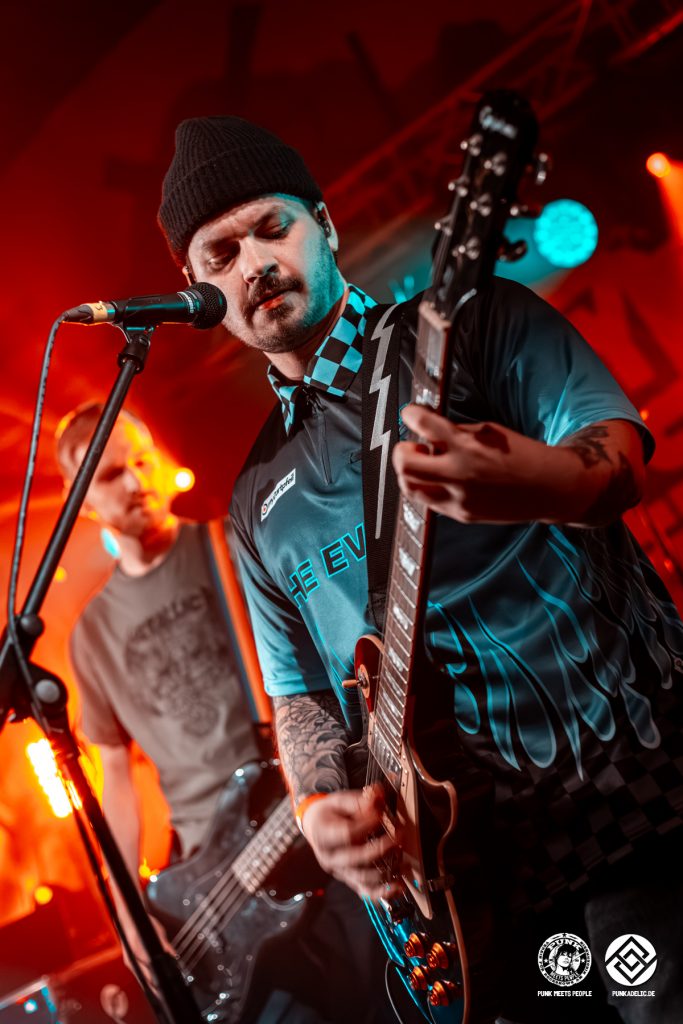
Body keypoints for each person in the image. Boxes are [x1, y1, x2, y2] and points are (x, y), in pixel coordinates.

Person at [156, 116, 683, 1024]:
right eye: (222, 254)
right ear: (199, 287)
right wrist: (317, 809)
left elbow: (618, 461)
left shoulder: (469, 326)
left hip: (626, 804)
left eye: (272, 229)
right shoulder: (253, 497)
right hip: (467, 886)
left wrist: (539, 481)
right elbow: (302, 697)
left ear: (325, 224)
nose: (254, 266)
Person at [58, 403, 393, 1024]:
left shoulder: (232, 546)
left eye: (140, 461)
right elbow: (117, 783)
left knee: (384, 1003)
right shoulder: (91, 636)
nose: (135, 481)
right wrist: (129, 918)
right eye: (109, 475)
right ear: (82, 503)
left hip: (308, 813)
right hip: (207, 890)